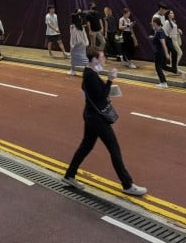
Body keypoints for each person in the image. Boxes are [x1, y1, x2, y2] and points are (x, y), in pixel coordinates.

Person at [62, 48, 148, 197]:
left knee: (86, 146)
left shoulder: (90, 73)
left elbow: (93, 92)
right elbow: (100, 96)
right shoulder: (90, 75)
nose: (104, 60)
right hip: (97, 119)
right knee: (114, 149)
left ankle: (69, 175)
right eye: (102, 57)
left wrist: (107, 87)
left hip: (91, 116)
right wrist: (110, 79)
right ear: (94, 59)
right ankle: (127, 184)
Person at [149, 15, 172, 88]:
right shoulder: (159, 30)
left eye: (152, 22)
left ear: (155, 23)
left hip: (159, 52)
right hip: (160, 51)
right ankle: (163, 81)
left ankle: (163, 82)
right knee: (161, 66)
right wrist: (153, 37)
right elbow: (159, 39)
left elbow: (163, 43)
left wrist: (166, 54)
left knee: (158, 67)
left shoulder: (159, 32)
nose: (151, 23)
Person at [162, 8, 186, 77]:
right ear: (168, 15)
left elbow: (174, 29)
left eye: (173, 13)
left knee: (173, 54)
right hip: (172, 39)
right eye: (171, 13)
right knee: (180, 53)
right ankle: (174, 66)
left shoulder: (173, 21)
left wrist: (178, 30)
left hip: (176, 38)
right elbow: (166, 32)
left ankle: (173, 67)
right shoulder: (167, 22)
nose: (173, 14)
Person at [68, 8, 89, 75]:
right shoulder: (73, 26)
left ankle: (74, 70)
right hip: (78, 44)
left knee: (80, 56)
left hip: (78, 44)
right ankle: (73, 70)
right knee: (78, 57)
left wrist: (73, 45)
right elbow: (73, 15)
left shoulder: (80, 27)